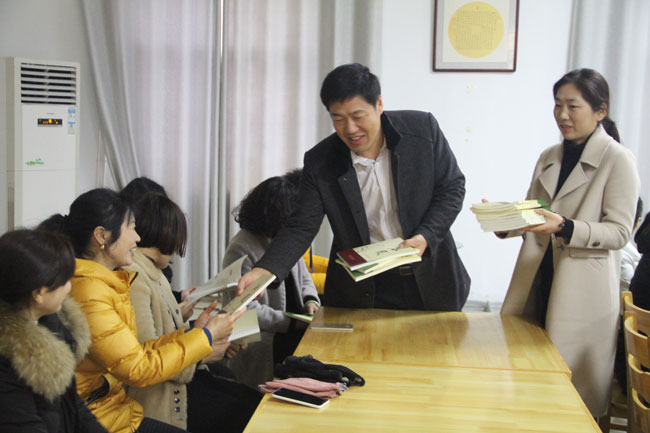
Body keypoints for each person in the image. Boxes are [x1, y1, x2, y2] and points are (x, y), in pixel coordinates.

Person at [238, 63, 470, 311]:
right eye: (338, 119)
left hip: (430, 280)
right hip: (364, 289)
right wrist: (266, 269)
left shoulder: (422, 130)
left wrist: (425, 236)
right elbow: (302, 224)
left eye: (358, 117)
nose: (349, 129)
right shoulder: (320, 161)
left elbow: (452, 188)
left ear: (379, 104)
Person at [496, 68, 640, 417]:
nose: (562, 114)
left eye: (572, 106)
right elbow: (536, 212)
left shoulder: (618, 159)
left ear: (600, 111)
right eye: (557, 105)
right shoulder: (549, 156)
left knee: (575, 400)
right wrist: (503, 221)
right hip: (537, 279)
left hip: (582, 293)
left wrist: (566, 227)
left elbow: (620, 232)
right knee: (527, 382)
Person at [39, 188, 242, 433]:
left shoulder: (106, 282)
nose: (137, 238)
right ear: (102, 235)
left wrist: (198, 334)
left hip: (117, 412)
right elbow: (138, 368)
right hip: (100, 420)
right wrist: (206, 337)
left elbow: (137, 351)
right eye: (131, 228)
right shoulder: (89, 291)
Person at [124, 192, 260, 433]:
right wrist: (204, 348)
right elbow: (148, 356)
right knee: (251, 410)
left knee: (252, 401)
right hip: (162, 396)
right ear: (167, 233)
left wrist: (204, 334)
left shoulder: (154, 273)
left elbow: (166, 339)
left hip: (179, 382)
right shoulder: (136, 278)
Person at [0, 229, 107, 433]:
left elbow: (73, 407)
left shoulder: (49, 325)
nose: (69, 288)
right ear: (39, 293)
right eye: (64, 281)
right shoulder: (8, 362)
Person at [223, 174, 320, 387]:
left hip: (292, 325)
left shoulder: (284, 240)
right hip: (263, 338)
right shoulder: (241, 248)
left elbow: (305, 278)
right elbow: (245, 309)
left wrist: (311, 300)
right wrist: (290, 322)